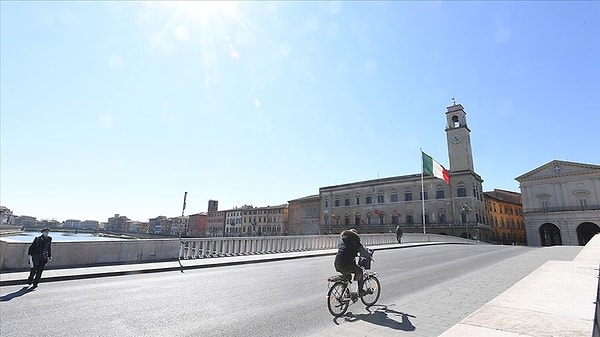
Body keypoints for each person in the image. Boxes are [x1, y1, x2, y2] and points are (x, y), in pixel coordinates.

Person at [334, 228, 371, 296]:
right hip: (346, 264)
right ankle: (360, 291)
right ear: (355, 235)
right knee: (360, 271)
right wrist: (369, 255)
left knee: (347, 276)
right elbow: (364, 252)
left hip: (337, 263)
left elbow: (345, 251)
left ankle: (346, 293)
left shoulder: (342, 240)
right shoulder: (355, 241)